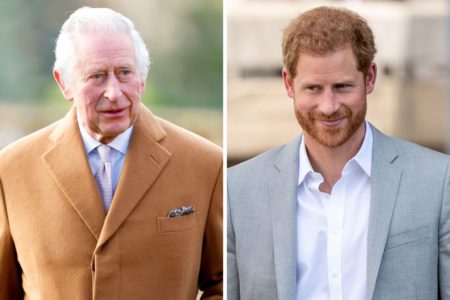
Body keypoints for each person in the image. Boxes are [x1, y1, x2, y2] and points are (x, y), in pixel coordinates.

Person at [227, 6, 450, 300]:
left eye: (343, 87)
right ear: (288, 84)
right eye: (313, 88)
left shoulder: (439, 180)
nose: (329, 106)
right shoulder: (237, 189)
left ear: (370, 77)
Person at [0, 7, 222, 300]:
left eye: (125, 73)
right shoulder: (11, 169)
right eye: (97, 76)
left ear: (142, 78)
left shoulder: (206, 164)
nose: (114, 93)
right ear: (63, 83)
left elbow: (225, 283)